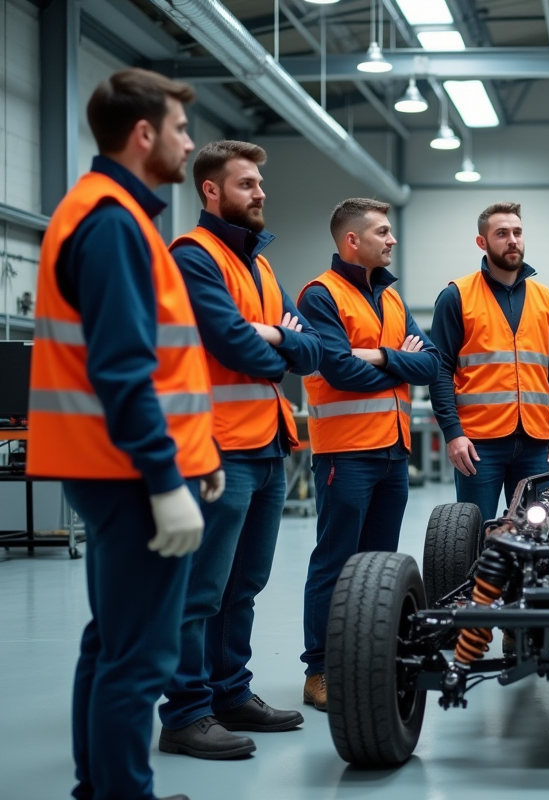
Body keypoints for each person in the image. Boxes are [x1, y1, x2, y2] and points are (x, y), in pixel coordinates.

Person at [26, 68, 222, 800]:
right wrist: (166, 479)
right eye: (179, 129)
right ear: (144, 135)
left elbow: (156, 370)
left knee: (110, 643)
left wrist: (191, 460)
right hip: (130, 476)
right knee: (140, 658)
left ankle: (101, 790)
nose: (187, 141)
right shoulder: (111, 223)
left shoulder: (108, 213)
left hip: (118, 470)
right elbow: (121, 371)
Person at [158, 140, 322, 759]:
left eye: (259, 183)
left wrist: (276, 337)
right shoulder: (193, 258)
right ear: (211, 190)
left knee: (244, 583)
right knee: (201, 588)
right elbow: (232, 345)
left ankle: (229, 692)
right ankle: (185, 712)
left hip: (267, 444)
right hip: (213, 447)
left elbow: (312, 354)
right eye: (247, 184)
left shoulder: (259, 267)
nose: (260, 193)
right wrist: (279, 346)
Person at [295, 198, 440, 710]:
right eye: (383, 231)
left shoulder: (393, 300)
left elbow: (432, 365)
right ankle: (320, 671)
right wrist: (402, 362)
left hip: (393, 452)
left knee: (378, 566)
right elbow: (338, 370)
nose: (392, 239)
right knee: (336, 562)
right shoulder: (320, 296)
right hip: (346, 454)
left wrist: (378, 355)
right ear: (352, 240)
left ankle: (367, 662)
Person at [429, 202, 549, 518]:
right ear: (482, 242)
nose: (512, 240)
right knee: (471, 534)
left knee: (538, 532)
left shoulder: (545, 298)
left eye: (518, 232)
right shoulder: (457, 296)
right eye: (502, 233)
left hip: (538, 441)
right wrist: (453, 434)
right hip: (479, 445)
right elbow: (438, 370)